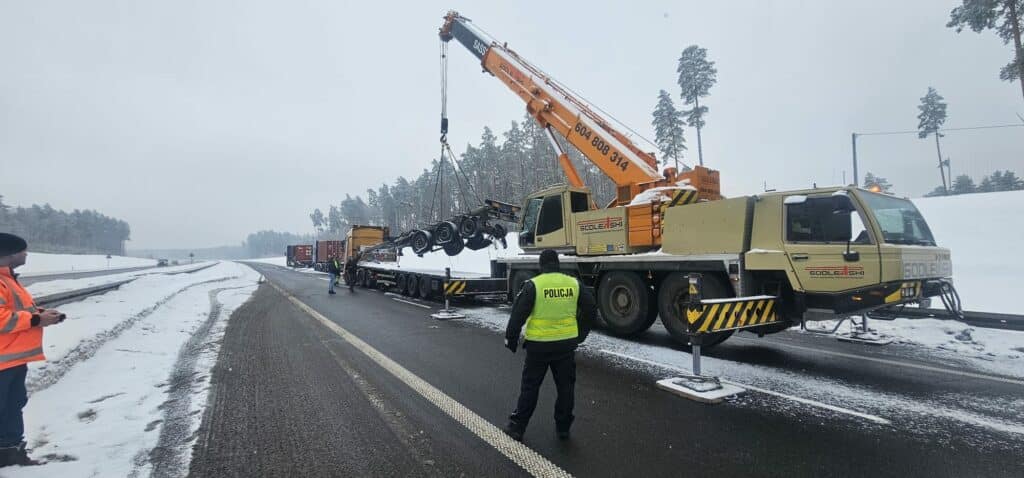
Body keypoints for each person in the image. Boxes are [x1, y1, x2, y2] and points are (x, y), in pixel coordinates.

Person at [502, 249, 596, 442]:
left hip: (538, 348)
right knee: (565, 388)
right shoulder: (573, 284)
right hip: (566, 347)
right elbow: (590, 308)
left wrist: (511, 339)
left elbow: (517, 315)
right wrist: (580, 334)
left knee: (530, 387)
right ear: (558, 264)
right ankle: (563, 428)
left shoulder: (533, 285)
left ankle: (518, 427)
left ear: (541, 265)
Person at [0, 233, 65, 467]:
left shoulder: (8, 279)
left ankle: (10, 455)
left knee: (12, 406)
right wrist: (36, 320)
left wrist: (41, 314)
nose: (26, 254)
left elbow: (20, 309)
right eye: (22, 250)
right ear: (8, 254)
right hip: (3, 361)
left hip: (11, 359)